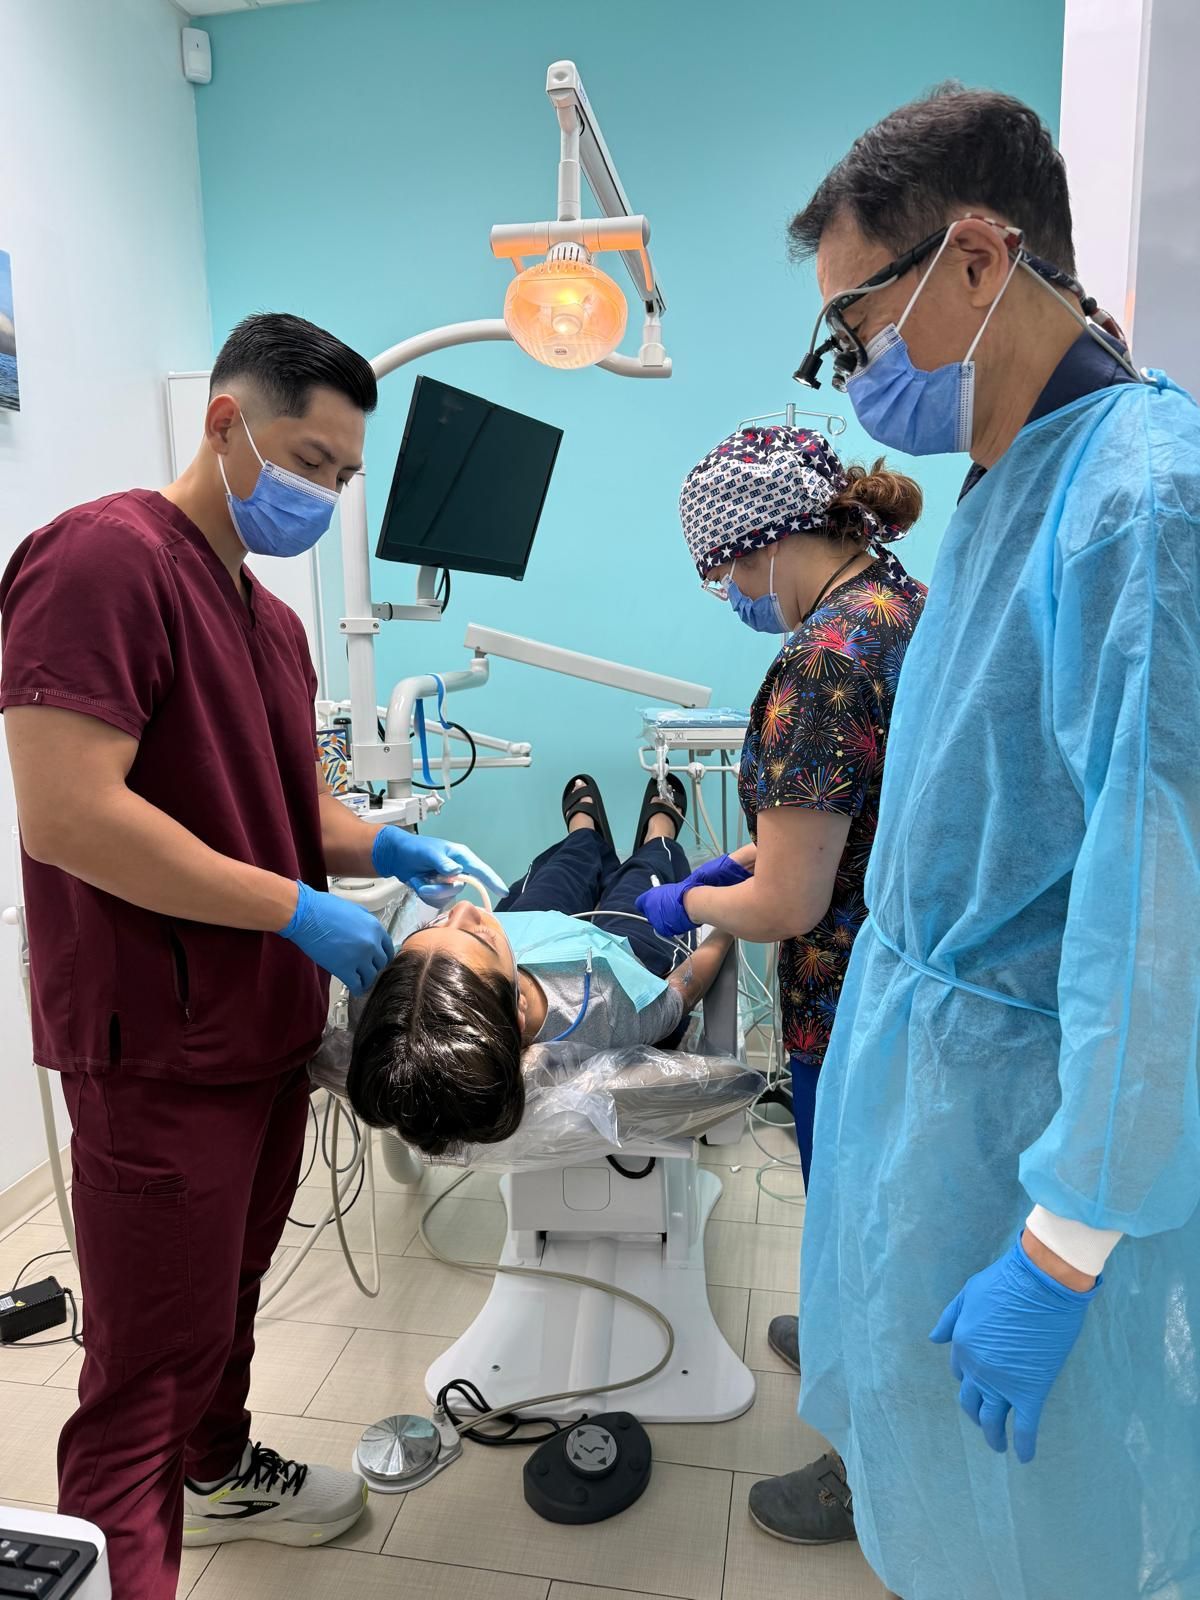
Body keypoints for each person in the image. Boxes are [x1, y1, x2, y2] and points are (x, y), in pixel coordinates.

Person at [0, 312, 504, 1600]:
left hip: (264, 1037)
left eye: (341, 474)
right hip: (158, 1044)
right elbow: (70, 813)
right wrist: (294, 910)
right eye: (308, 459)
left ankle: (217, 1469)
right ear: (225, 422)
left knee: (227, 1295)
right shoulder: (99, 562)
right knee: (142, 1366)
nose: (323, 494)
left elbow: (285, 807)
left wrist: (381, 850)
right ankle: (126, 1563)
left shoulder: (270, 622)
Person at [785, 85, 1200, 1600]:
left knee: (1062, 1535)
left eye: (855, 327)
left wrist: (1070, 1234)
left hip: (1045, 1153)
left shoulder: (1141, 504)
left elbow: (1161, 905)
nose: (853, 379)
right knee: (953, 1514)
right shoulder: (1012, 482)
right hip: (946, 1098)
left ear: (975, 257)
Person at [637, 426, 926, 1542]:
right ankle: (854, 1340)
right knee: (884, 1215)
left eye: (721, 573)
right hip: (904, 979)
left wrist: (690, 901)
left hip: (847, 1000)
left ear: (757, 544)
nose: (727, 593)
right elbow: (857, 822)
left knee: (866, 1225)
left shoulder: (820, 662)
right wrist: (753, 858)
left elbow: (793, 909)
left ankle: (869, 1470)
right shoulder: (900, 604)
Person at [345, 775, 735, 1155]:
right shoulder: (606, 1005)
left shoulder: (394, 1012)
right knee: (644, 881)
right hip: (620, 957)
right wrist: (728, 925)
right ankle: (659, 833)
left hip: (525, 931)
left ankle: (584, 834)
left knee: (564, 868)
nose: (464, 908)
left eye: (435, 924)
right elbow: (680, 993)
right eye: (475, 934)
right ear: (517, 1011)